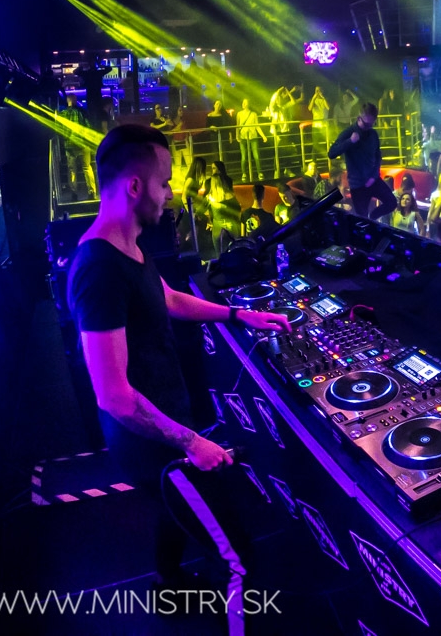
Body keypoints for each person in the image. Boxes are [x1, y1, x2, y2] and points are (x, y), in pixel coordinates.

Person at [68, 124, 290, 587]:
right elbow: (113, 396)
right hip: (152, 445)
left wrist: (239, 315)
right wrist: (191, 443)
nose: (170, 194)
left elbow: (166, 297)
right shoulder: (99, 270)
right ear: (135, 186)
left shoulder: (127, 246)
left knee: (172, 513)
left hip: (168, 428)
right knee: (240, 560)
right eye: (164, 182)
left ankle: (168, 583)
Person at [328, 102, 397, 220]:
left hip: (373, 180)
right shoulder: (348, 133)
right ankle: (370, 222)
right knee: (362, 220)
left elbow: (378, 156)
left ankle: (373, 218)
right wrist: (350, 141)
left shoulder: (373, 134)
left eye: (371, 124)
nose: (368, 127)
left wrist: (374, 176)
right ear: (358, 118)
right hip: (357, 185)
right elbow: (332, 153)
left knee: (392, 202)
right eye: (366, 124)